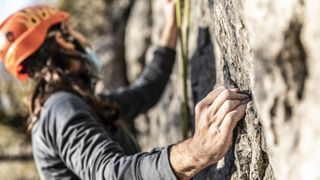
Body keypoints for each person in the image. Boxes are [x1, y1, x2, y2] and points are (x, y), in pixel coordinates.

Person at [0, 1, 250, 180]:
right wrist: (197, 151)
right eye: (72, 30)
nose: (83, 38)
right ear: (63, 40)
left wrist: (170, 23)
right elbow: (112, 173)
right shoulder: (61, 109)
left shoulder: (78, 104)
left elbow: (146, 92)